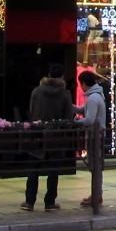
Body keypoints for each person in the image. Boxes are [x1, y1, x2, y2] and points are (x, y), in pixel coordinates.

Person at [21, 63, 74, 212]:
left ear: (49, 75)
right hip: (56, 137)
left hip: (37, 134)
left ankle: (29, 202)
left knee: (33, 169)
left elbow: (32, 111)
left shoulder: (37, 91)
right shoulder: (65, 94)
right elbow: (68, 118)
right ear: (62, 76)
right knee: (53, 171)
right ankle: (50, 202)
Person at [76, 70, 107, 208]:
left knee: (95, 167)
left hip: (95, 136)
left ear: (83, 83)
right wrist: (73, 108)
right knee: (96, 166)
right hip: (97, 136)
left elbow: (89, 119)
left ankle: (96, 195)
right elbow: (84, 110)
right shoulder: (96, 96)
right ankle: (96, 194)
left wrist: (75, 122)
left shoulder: (93, 98)